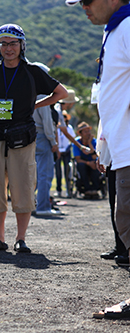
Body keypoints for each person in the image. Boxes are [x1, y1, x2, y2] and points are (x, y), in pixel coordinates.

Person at [0, 23, 68, 253]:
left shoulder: (33, 71)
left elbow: (61, 93)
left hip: (24, 136)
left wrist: (35, 105)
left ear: (22, 45)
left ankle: (21, 239)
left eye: (13, 43)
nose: (8, 48)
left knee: (23, 187)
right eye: (3, 44)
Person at [66, 0, 130, 318]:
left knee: (127, 220)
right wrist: (106, 143)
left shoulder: (129, 26)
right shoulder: (115, 28)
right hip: (121, 147)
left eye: (88, 0)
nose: (84, 7)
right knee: (124, 220)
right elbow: (113, 93)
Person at [31, 62, 62, 216]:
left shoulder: (27, 92)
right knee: (45, 175)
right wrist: (53, 142)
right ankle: (42, 207)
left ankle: (30, 205)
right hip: (42, 137)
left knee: (33, 175)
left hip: (29, 136)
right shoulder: (42, 96)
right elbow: (47, 122)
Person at [73, 122, 100, 199]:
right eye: (85, 131)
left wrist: (89, 143)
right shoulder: (77, 142)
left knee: (96, 165)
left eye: (89, 131)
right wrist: (88, 163)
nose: (88, 133)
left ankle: (95, 188)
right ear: (80, 134)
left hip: (93, 161)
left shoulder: (94, 141)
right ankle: (86, 189)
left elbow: (95, 156)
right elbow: (78, 159)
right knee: (81, 166)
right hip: (83, 162)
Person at [55, 110, 76, 198]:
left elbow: (71, 138)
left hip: (66, 151)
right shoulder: (56, 128)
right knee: (58, 171)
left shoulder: (69, 128)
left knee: (67, 171)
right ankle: (59, 189)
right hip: (58, 151)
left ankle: (68, 190)